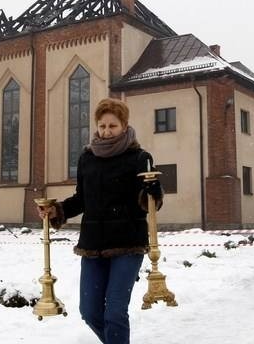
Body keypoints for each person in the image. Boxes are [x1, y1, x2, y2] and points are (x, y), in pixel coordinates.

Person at [37, 98, 163, 344]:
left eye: (112, 126)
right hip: (93, 246)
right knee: (90, 312)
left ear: (124, 126)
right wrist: (57, 210)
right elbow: (82, 199)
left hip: (128, 245)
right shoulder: (87, 158)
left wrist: (153, 190)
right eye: (102, 126)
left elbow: (148, 203)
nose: (106, 131)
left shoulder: (139, 158)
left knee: (115, 312)